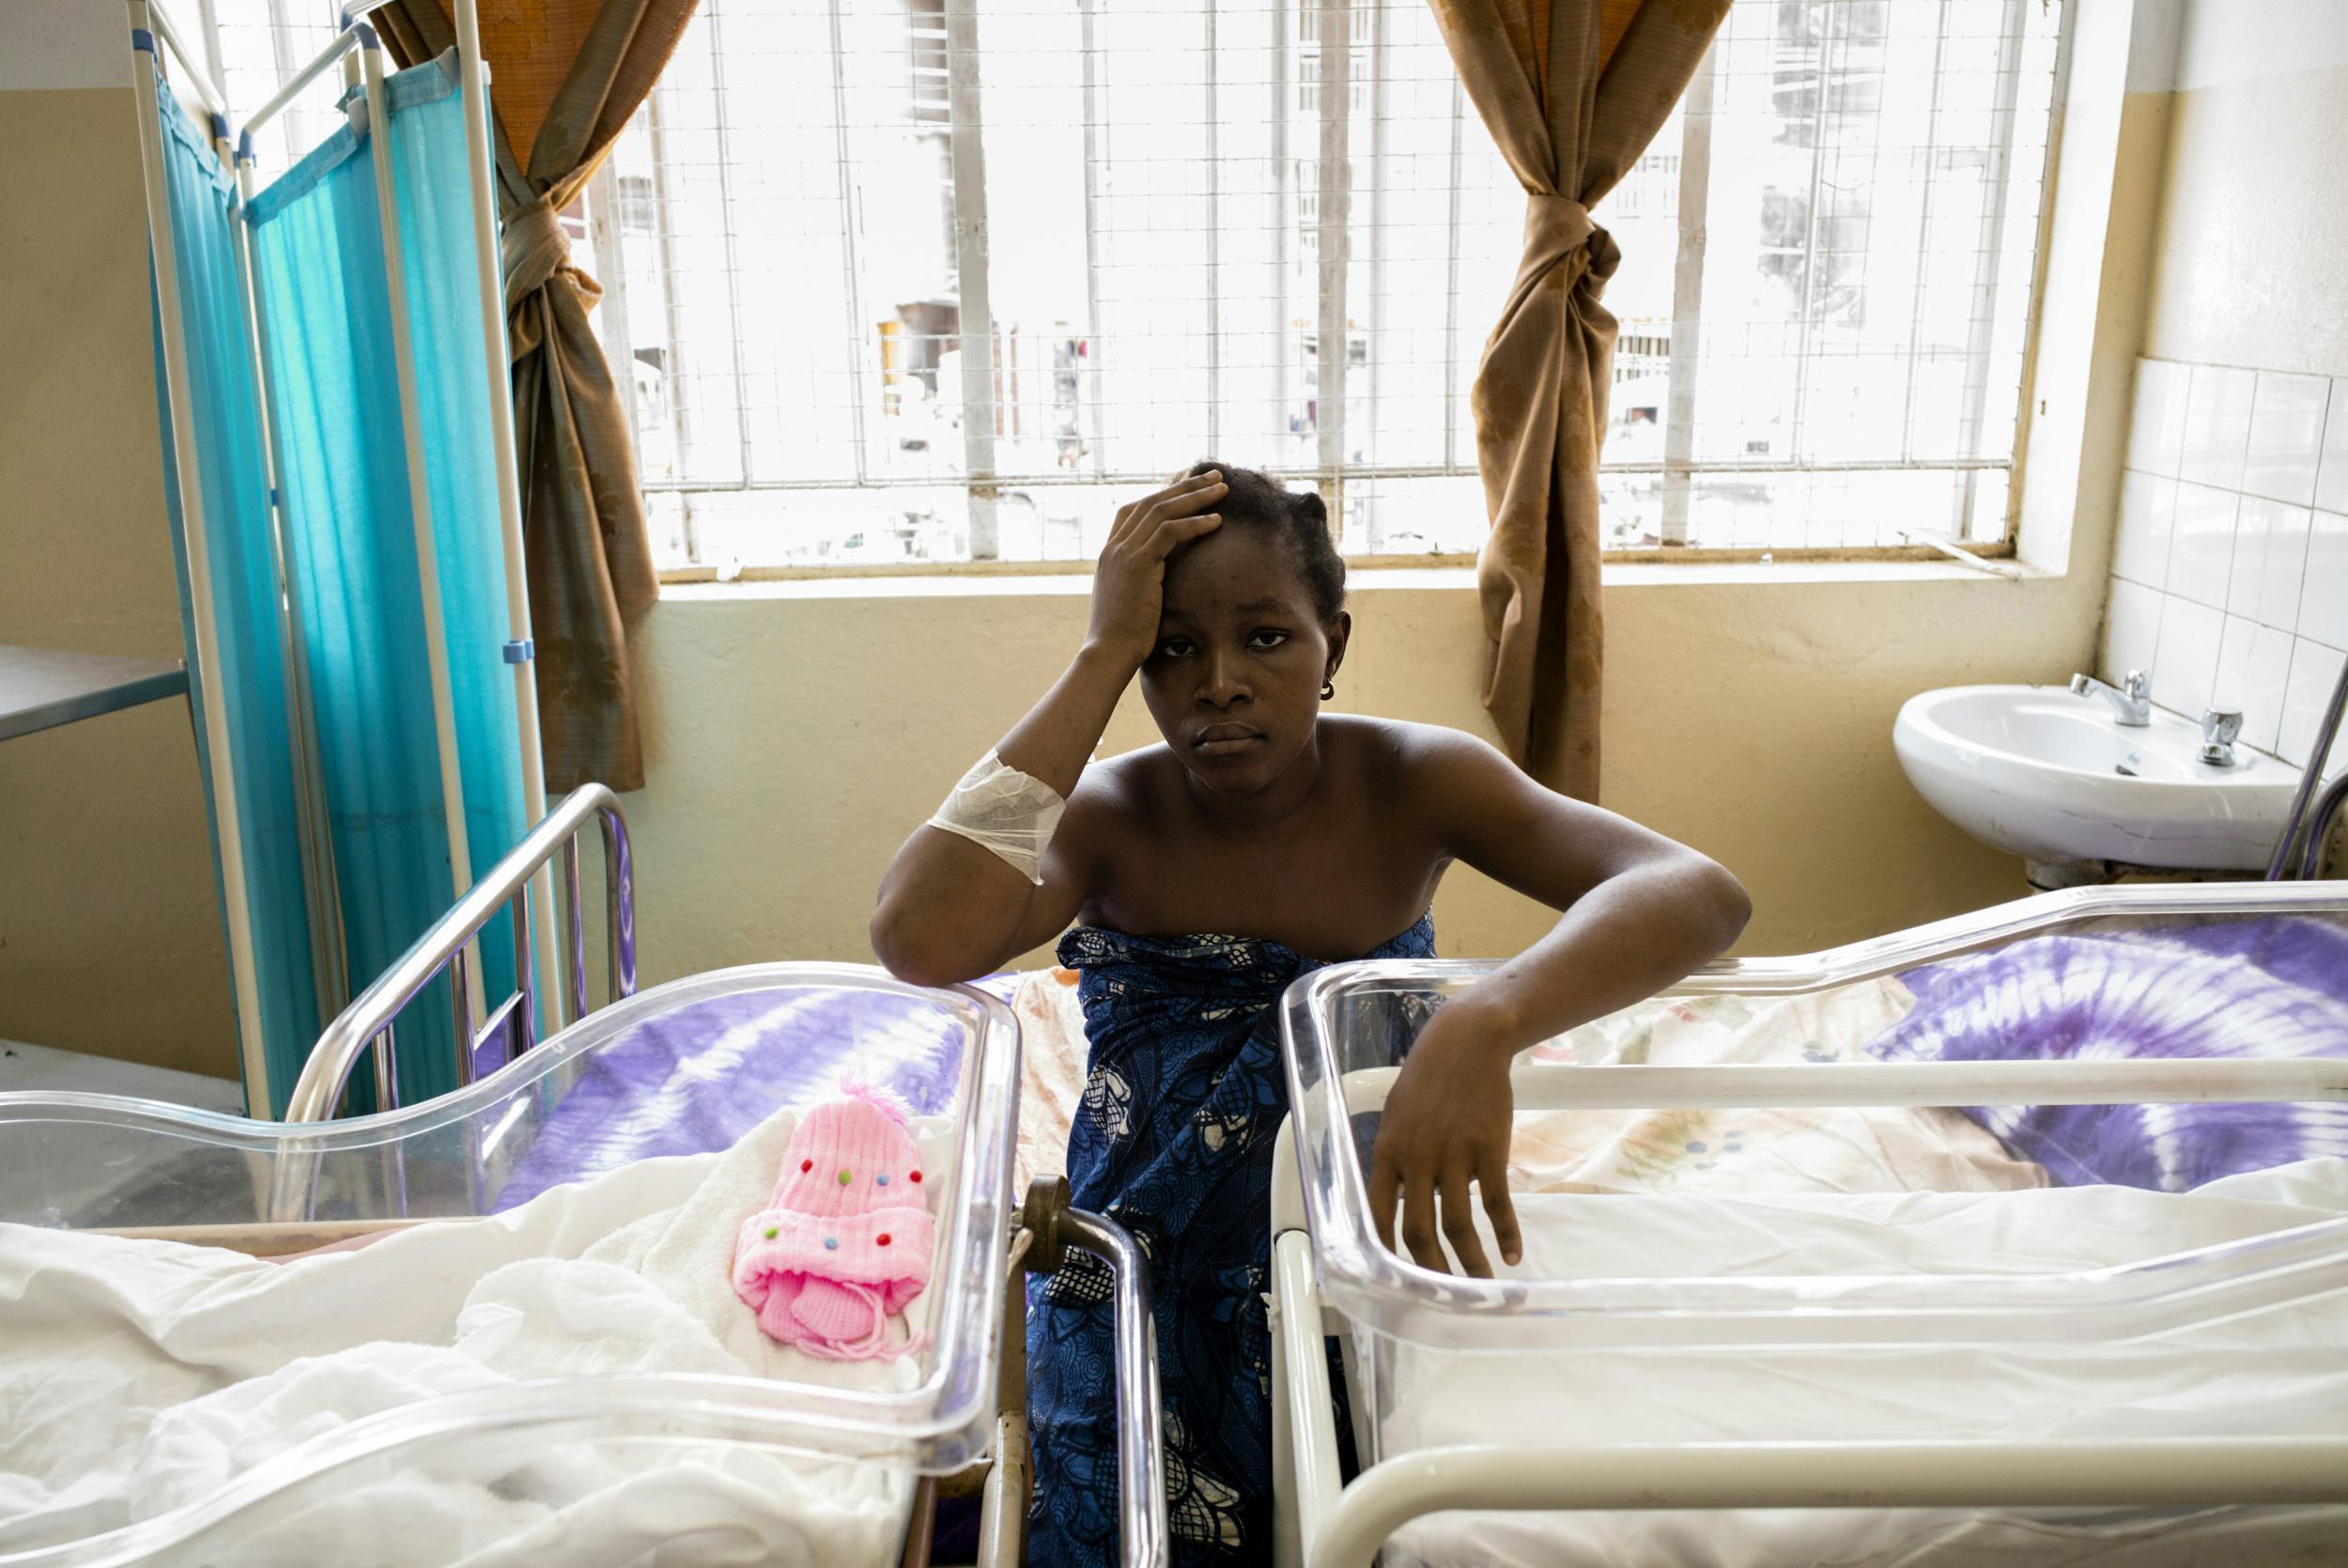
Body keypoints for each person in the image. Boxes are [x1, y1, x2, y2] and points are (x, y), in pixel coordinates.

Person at [872, 462, 1751, 1564]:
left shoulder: (1414, 780)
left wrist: (1487, 1018)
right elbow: (920, 936)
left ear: (1334, 641)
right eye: (1173, 648)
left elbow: (1694, 889)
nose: (1220, 682)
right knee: (1119, 1516)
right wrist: (1099, 654)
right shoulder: (1111, 816)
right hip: (1141, 1264)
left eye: (1266, 639)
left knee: (1376, 1511)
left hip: (1355, 1237)